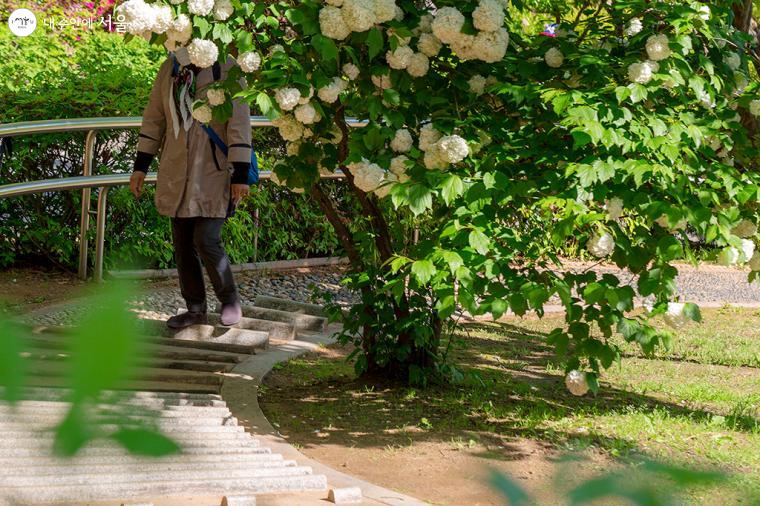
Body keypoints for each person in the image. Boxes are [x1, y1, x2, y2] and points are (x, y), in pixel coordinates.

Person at [130, 47, 252, 329]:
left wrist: (241, 174)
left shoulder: (227, 69)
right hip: (176, 169)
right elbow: (155, 117)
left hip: (214, 170)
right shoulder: (171, 68)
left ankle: (230, 299)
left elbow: (239, 123)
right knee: (183, 243)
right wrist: (140, 166)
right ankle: (195, 308)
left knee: (206, 238)